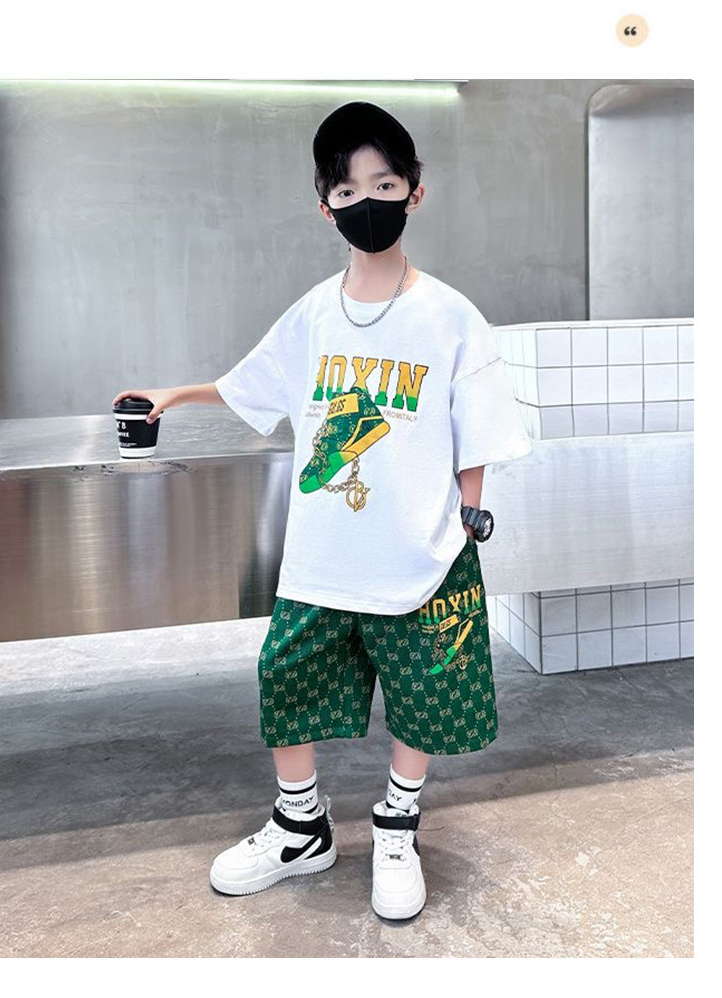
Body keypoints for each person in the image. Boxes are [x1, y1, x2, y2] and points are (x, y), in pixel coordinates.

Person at [112, 101, 533, 921]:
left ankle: (397, 826)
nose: (365, 201)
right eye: (347, 191)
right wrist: (175, 394)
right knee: (286, 678)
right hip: (324, 555)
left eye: (383, 184)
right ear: (325, 206)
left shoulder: (451, 315)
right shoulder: (312, 313)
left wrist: (470, 517)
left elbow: (476, 429)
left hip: (422, 552)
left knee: (426, 695)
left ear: (415, 192)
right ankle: (300, 827)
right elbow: (252, 382)